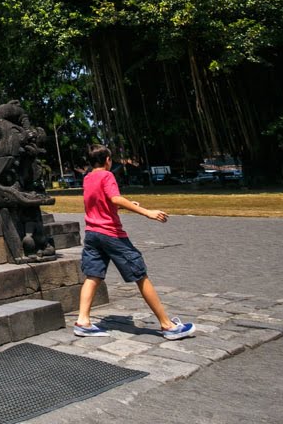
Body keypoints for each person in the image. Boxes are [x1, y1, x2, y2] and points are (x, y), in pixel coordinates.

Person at [73, 144, 196, 340]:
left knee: (93, 275)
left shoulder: (87, 178)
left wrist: (128, 203)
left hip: (92, 234)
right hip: (111, 234)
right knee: (140, 274)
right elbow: (114, 199)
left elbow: (102, 203)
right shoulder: (107, 176)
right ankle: (168, 325)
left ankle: (83, 321)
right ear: (107, 160)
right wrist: (147, 212)